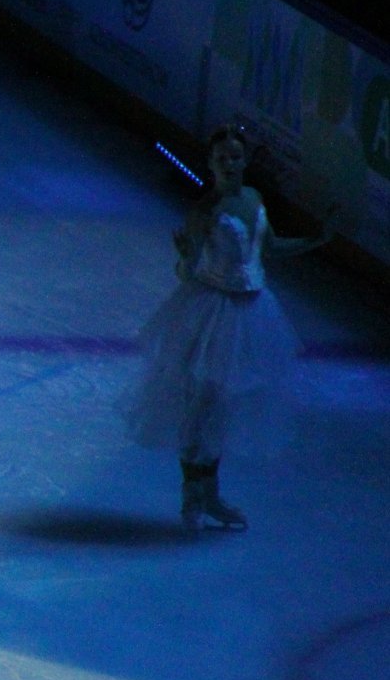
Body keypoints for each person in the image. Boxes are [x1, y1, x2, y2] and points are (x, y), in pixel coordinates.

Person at [127, 126, 334, 532]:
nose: (229, 164)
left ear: (244, 161)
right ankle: (192, 495)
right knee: (199, 404)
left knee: (225, 404)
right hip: (213, 314)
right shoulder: (205, 212)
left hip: (253, 313)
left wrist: (316, 240)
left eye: (235, 157)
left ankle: (211, 494)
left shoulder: (254, 199)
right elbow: (187, 273)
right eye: (221, 158)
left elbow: (269, 249)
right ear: (210, 164)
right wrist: (186, 257)